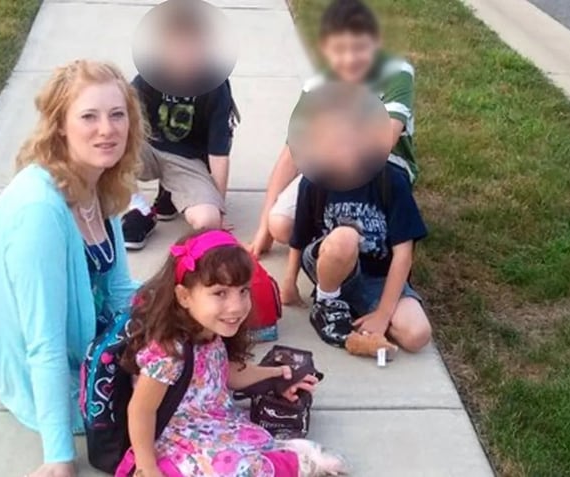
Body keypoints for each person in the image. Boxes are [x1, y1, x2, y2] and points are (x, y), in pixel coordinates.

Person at [0, 60, 144, 477]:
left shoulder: (100, 181)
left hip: (90, 330)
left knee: (196, 334)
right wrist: (59, 456)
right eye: (89, 116)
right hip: (51, 364)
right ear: (61, 125)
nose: (107, 129)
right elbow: (43, 342)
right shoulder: (40, 212)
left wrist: (176, 313)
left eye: (117, 114)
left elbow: (120, 288)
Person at [118, 229, 340, 477]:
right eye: (220, 293)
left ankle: (289, 462)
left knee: (261, 447)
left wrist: (278, 374)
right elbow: (141, 410)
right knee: (239, 468)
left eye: (243, 290)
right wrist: (146, 466)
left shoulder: (209, 332)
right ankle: (292, 465)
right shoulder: (169, 350)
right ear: (184, 296)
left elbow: (226, 374)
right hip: (177, 438)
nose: (236, 306)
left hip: (215, 423)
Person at [249, 0, 418, 257]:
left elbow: (386, 138)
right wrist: (263, 228)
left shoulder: (396, 73)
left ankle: (347, 235)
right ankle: (337, 232)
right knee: (281, 226)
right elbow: (291, 154)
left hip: (385, 166)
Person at [282, 155, 432, 352]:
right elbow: (299, 238)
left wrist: (383, 314)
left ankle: (357, 315)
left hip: (379, 278)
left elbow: (403, 254)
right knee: (346, 237)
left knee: (417, 335)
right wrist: (289, 281)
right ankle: (327, 303)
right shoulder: (315, 178)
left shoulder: (392, 179)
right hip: (331, 265)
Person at [121, 3, 239, 250]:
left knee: (208, 221)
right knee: (110, 137)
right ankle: (139, 209)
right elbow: (123, 118)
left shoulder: (216, 87)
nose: (185, 53)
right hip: (147, 149)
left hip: (186, 160)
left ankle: (170, 194)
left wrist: (219, 207)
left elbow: (219, 154)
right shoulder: (149, 77)